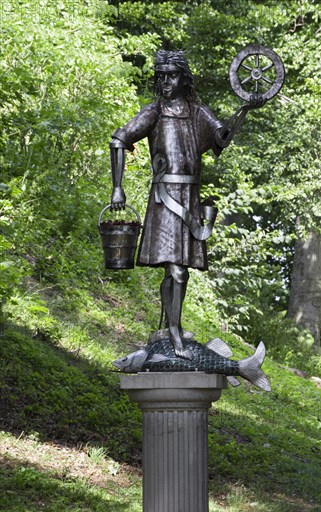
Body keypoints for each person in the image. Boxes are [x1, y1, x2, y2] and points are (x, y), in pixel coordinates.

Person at [110, 50, 264, 358]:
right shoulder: (154, 111)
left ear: (185, 78)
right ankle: (176, 333)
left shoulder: (197, 112)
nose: (166, 81)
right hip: (164, 200)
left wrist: (245, 109)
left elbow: (222, 137)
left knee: (178, 272)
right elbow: (119, 139)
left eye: (172, 75)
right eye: (161, 76)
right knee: (177, 271)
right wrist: (117, 188)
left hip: (190, 200)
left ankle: (170, 325)